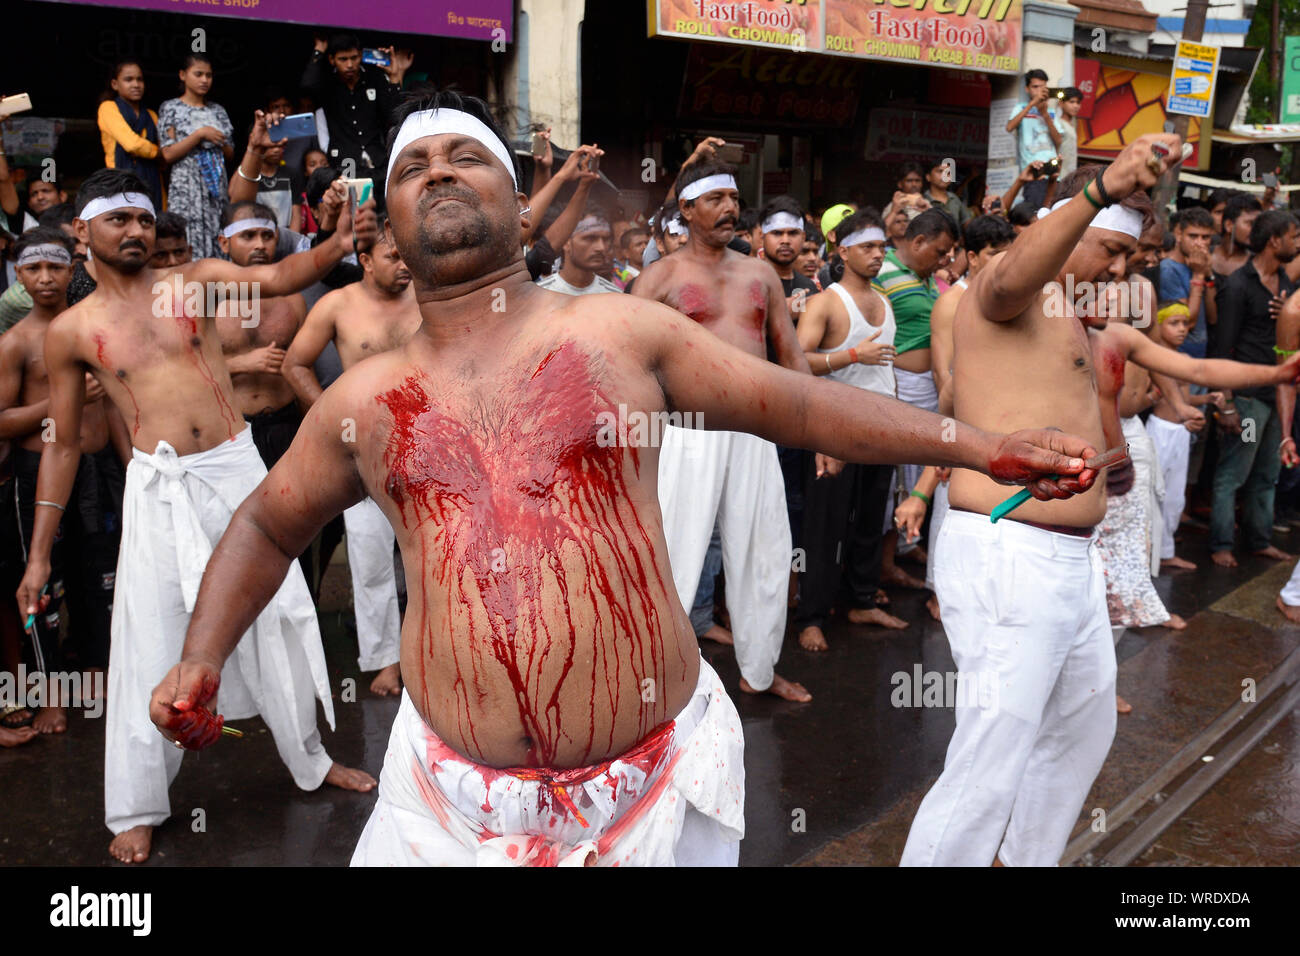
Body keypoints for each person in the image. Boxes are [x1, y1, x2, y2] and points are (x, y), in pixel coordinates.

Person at [144, 90, 1099, 867]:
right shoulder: (362, 400)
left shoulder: (615, 333)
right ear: (383, 219)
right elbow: (268, 526)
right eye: (411, 167)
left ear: (521, 205)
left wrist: (975, 445)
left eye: (464, 157)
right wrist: (201, 654)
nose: (436, 171)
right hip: (445, 811)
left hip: (653, 799)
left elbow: (799, 406)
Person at [15, 168, 377, 864]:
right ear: (83, 231)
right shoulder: (70, 332)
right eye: (119, 220)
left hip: (237, 468)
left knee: (283, 616)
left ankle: (310, 760)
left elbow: (280, 276)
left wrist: (335, 241)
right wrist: (38, 553)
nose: (137, 232)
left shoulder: (194, 282)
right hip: (160, 486)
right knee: (149, 641)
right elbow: (61, 445)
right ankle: (137, 806)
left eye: (145, 219)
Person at [901, 133, 1182, 867]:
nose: (1119, 272)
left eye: (1129, 259)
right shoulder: (1009, 281)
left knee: (1083, 725)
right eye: (1111, 252)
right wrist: (1099, 190)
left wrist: (1109, 460)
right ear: (1070, 230)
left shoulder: (1071, 313)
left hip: (1069, 559)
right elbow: (1005, 280)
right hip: (1009, 554)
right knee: (991, 756)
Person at [632, 162, 814, 703]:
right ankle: (654, 678)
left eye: (734, 197)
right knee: (674, 554)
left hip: (755, 431)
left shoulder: (758, 276)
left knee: (766, 553)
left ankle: (759, 672)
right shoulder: (658, 279)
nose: (730, 207)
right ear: (686, 211)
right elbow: (622, 360)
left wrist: (820, 428)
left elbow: (791, 353)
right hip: (687, 433)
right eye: (715, 198)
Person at [282, 225, 420, 696]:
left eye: (408, 256)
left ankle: (433, 649)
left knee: (432, 555)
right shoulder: (337, 305)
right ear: (365, 258)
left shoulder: (427, 297)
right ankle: (384, 660)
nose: (405, 264)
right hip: (363, 448)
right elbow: (294, 364)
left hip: (425, 441)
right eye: (393, 255)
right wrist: (327, 415)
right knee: (370, 556)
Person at [0, 228, 127, 734]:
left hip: (100, 471)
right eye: (34, 269)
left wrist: (130, 463)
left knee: (100, 581)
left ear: (72, 269)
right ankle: (51, 693)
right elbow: (2, 420)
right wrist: (59, 404)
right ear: (19, 276)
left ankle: (98, 681)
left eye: (56, 267)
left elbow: (115, 405)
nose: (47, 278)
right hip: (40, 475)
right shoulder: (16, 343)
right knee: (43, 585)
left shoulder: (92, 330)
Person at [792, 209, 905, 651]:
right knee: (825, 527)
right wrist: (851, 356)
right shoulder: (826, 302)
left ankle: (860, 600)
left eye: (881, 248)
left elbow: (889, 371)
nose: (877, 255)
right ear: (843, 251)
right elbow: (798, 364)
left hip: (881, 429)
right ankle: (811, 617)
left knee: (869, 520)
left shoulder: (885, 300)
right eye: (868, 248)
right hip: (836, 430)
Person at [1209, 210, 1300, 567]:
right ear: (1274, 240)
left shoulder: (1287, 288)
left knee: (1267, 474)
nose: (1297, 244)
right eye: (1294, 236)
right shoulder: (1238, 285)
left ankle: (1259, 540)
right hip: (1247, 400)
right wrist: (1226, 402)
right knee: (1234, 473)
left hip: (1278, 397)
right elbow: (1222, 347)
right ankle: (1220, 544)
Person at [213, 200, 307, 471]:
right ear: (224, 242)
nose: (260, 244)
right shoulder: (208, 301)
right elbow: (185, 372)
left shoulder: (291, 299)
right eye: (248, 236)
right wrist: (241, 363)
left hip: (286, 425)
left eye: (267, 236)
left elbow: (304, 368)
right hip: (229, 428)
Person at [1145, 302, 1223, 571]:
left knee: (1175, 496)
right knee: (1151, 493)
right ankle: (1145, 552)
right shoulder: (1150, 357)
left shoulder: (1185, 360)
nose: (1181, 329)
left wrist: (1206, 399)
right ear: (1159, 325)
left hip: (1180, 432)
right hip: (1159, 430)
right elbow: (1144, 395)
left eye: (1184, 324)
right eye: (1173, 323)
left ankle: (1166, 552)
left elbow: (1184, 397)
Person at [302, 34, 411, 190]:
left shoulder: (374, 78)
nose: (350, 64)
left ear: (361, 55)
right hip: (345, 165)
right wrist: (319, 50)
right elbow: (307, 86)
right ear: (332, 60)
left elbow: (395, 114)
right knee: (353, 210)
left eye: (354, 58)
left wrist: (394, 77)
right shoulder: (327, 84)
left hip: (378, 162)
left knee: (385, 209)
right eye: (343, 59)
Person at [159, 53, 234, 259]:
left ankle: (217, 288)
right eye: (198, 74)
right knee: (186, 235)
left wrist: (218, 140)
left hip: (216, 185)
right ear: (183, 75)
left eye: (208, 75)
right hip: (186, 186)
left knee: (218, 232)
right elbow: (167, 154)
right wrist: (200, 134)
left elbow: (230, 153)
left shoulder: (217, 110)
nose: (204, 80)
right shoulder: (171, 108)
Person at [96, 60, 165, 212]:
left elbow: (164, 160)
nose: (136, 84)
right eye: (129, 79)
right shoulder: (108, 108)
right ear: (115, 84)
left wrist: (161, 154)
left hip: (153, 183)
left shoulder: (152, 115)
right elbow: (131, 144)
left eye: (139, 79)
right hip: (119, 182)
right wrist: (158, 153)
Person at [1158, 207, 1216, 359]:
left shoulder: (1199, 265)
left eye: (1205, 237)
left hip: (1200, 354)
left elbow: (1213, 317)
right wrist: (1198, 275)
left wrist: (1208, 275)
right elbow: (1188, 322)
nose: (1199, 243)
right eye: (1193, 236)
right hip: (1180, 357)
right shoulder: (1169, 270)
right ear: (1179, 235)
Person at [1005, 68, 1063, 210]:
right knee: (1035, 215)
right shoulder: (1021, 107)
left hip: (1053, 175)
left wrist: (1044, 114)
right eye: (1035, 87)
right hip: (1034, 175)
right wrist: (1032, 104)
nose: (1039, 91)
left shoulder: (1050, 112)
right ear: (1027, 89)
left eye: (1042, 87)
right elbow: (1009, 127)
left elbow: (1058, 141)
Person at [536, 215, 621, 295]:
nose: (601, 247)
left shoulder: (615, 296)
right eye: (590, 238)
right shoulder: (540, 295)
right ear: (566, 242)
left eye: (605, 239)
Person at [759, 195, 817, 311]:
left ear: (803, 237)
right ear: (762, 237)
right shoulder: (747, 281)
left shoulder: (808, 287)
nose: (785, 240)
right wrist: (783, 312)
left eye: (793, 233)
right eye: (777, 233)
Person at [1212, 193, 1261, 282]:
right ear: (1229, 225)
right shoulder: (1203, 255)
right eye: (1251, 223)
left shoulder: (1256, 266)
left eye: (1258, 225)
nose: (1256, 230)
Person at [922, 158, 972, 229]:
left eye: (948, 173)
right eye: (940, 171)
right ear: (928, 177)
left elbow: (967, 223)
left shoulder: (954, 198)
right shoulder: (922, 199)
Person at [1056, 87, 1082, 176]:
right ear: (1061, 103)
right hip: (1059, 176)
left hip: (1070, 176)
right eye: (1071, 102)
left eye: (1078, 102)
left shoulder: (1071, 125)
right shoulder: (1058, 124)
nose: (1076, 106)